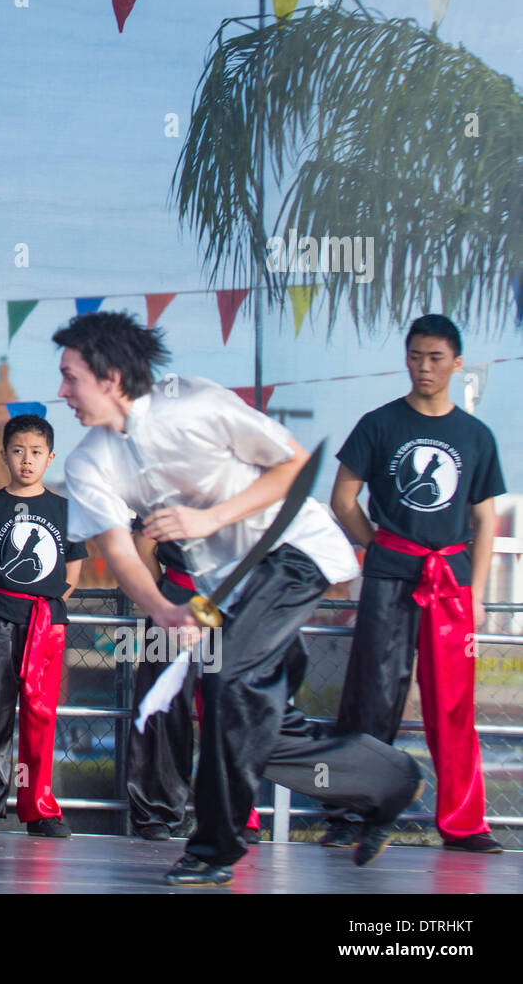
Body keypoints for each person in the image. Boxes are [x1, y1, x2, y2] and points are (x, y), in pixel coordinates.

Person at [55, 311, 423, 886]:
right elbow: (120, 551)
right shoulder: (87, 461)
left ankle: (213, 850)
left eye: (70, 376)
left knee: (228, 686)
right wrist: (162, 609)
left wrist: (210, 519)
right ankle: (388, 782)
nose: (61, 392)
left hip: (291, 552)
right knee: (259, 727)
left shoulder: (196, 403)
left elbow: (294, 466)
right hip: (229, 593)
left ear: (110, 376)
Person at [324, 315, 505, 853]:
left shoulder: (476, 436)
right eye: (415, 356)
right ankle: (351, 816)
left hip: (450, 581)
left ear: (455, 362)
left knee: (453, 704)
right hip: (389, 576)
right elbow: (342, 500)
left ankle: (463, 823)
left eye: (435, 358)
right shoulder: (379, 424)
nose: (424, 367)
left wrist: (475, 593)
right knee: (372, 699)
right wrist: (378, 545)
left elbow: (485, 521)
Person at [0, 414, 85, 838]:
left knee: (40, 717)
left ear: (50, 458)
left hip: (45, 624)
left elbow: (75, 566)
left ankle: (39, 809)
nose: (26, 461)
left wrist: (50, 607)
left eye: (35, 453)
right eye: (17, 451)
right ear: (4, 456)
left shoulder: (65, 510)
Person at [125, 529, 261, 845]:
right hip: (176, 599)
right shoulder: (164, 483)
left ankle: (234, 811)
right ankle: (156, 811)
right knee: (163, 705)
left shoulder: (245, 483)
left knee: (231, 706)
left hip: (234, 603)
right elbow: (144, 544)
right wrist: (162, 595)